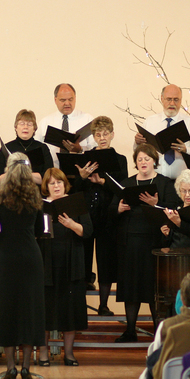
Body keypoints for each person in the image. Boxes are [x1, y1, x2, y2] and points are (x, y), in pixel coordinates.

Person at [0, 152, 46, 379]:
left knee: (7, 310)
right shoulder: (35, 196)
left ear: (8, 170)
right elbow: (41, 231)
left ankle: (11, 367)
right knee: (30, 310)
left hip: (6, 258)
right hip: (31, 257)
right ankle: (27, 369)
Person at [111, 143, 178, 342]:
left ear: (154, 162)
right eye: (139, 159)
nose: (143, 162)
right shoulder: (127, 183)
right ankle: (130, 330)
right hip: (130, 241)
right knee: (131, 287)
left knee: (153, 288)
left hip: (154, 242)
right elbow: (111, 209)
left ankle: (158, 333)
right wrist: (119, 209)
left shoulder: (164, 183)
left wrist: (155, 204)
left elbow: (174, 208)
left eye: (146, 159)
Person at [36, 168, 93, 366]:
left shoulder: (76, 203)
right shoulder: (40, 206)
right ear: (46, 187)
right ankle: (43, 354)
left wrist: (71, 225)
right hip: (47, 262)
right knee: (45, 310)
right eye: (51, 183)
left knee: (70, 310)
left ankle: (68, 354)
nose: (56, 186)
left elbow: (88, 232)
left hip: (71, 262)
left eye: (59, 182)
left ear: (64, 184)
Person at [72, 115, 128, 307]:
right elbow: (74, 189)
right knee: (83, 260)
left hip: (108, 216)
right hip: (87, 215)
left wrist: (102, 181)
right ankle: (80, 305)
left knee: (106, 261)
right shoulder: (86, 158)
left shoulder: (120, 160)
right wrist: (81, 177)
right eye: (98, 134)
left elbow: (122, 189)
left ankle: (103, 306)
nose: (102, 138)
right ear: (94, 137)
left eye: (105, 134)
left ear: (112, 134)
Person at [137, 83, 190, 179]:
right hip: (156, 180)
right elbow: (139, 152)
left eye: (176, 100)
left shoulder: (189, 123)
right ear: (162, 98)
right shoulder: (150, 122)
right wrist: (137, 142)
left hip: (182, 183)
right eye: (169, 99)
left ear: (181, 100)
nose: (172, 103)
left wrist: (186, 150)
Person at [37, 83, 95, 168]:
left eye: (70, 99)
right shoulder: (45, 122)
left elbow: (95, 149)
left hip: (81, 175)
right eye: (63, 100)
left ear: (75, 98)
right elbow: (38, 150)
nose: (67, 103)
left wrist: (80, 150)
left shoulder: (87, 119)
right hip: (54, 174)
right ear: (55, 100)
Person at [0, 109, 53, 186]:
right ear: (16, 127)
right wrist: (10, 174)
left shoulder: (42, 148)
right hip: (12, 193)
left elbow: (49, 176)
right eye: (22, 123)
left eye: (29, 124)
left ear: (34, 128)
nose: (25, 127)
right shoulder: (7, 147)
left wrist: (23, 173)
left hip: (37, 194)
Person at [160, 169, 190, 248]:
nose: (187, 195)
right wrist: (167, 234)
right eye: (183, 191)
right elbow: (168, 242)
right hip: (174, 253)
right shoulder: (176, 209)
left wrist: (179, 223)